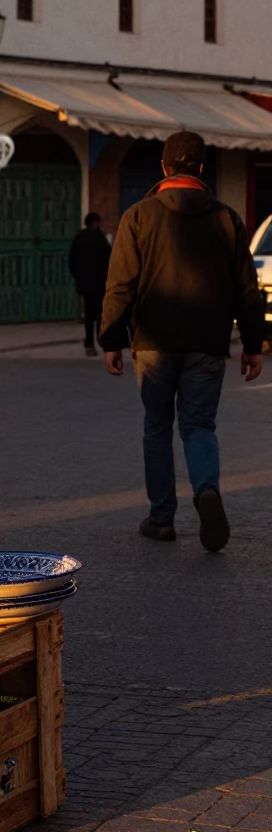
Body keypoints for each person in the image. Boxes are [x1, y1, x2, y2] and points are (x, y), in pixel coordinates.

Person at [100, 130, 264, 552]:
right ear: (202, 169)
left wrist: (111, 339)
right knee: (199, 426)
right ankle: (206, 492)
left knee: (157, 427)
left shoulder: (138, 216)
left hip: (153, 343)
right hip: (208, 344)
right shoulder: (227, 218)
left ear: (164, 167)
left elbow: (120, 284)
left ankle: (161, 518)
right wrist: (251, 342)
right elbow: (248, 289)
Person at [68, 212, 112, 357]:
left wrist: (78, 278)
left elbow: (72, 261)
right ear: (94, 223)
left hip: (85, 283)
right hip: (100, 282)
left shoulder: (79, 238)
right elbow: (109, 259)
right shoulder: (100, 239)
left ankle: (89, 342)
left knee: (89, 314)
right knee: (100, 313)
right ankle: (99, 338)